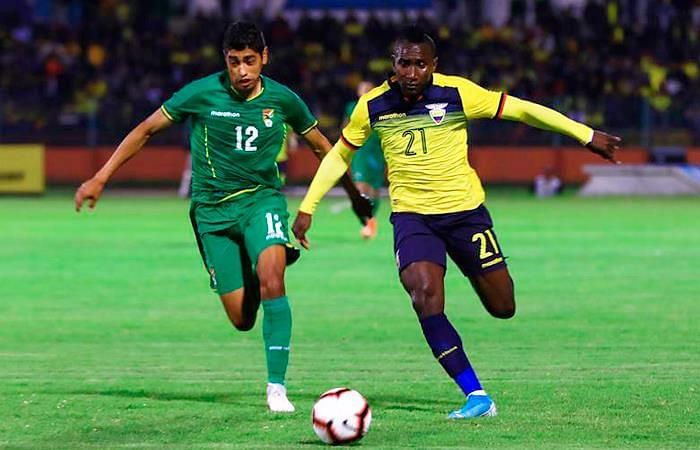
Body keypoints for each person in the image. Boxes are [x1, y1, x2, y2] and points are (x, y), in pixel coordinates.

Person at [292, 25, 621, 419]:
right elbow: (340, 156)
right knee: (424, 295)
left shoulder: (457, 93)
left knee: (503, 306)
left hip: (465, 215)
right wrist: (308, 206)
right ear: (392, 66)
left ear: (433, 66)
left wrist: (584, 134)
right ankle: (476, 395)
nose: (412, 73)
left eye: (420, 65)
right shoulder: (373, 106)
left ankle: (472, 285)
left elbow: (522, 110)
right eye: (404, 64)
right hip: (413, 218)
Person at [74, 22, 372, 413]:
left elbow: (325, 149)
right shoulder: (201, 93)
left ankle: (277, 389)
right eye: (234, 62)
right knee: (242, 319)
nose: (243, 71)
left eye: (250, 61)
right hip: (212, 214)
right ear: (225, 61)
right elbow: (147, 129)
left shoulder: (284, 100)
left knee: (273, 278)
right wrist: (100, 177)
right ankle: (257, 261)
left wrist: (353, 197)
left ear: (264, 58)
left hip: (261, 202)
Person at [343, 81, 386, 239]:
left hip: (377, 151)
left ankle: (371, 220)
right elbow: (346, 127)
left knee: (374, 190)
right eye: (362, 89)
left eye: (367, 89)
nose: (364, 92)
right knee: (361, 188)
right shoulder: (351, 108)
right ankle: (368, 222)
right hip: (360, 151)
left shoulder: (381, 107)